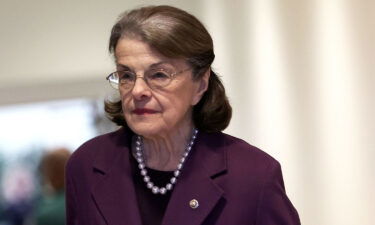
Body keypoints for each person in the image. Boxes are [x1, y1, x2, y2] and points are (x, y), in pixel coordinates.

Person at [65, 5, 300, 225]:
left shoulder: (253, 175)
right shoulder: (86, 166)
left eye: (158, 75)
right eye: (126, 75)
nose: (137, 91)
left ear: (200, 84)